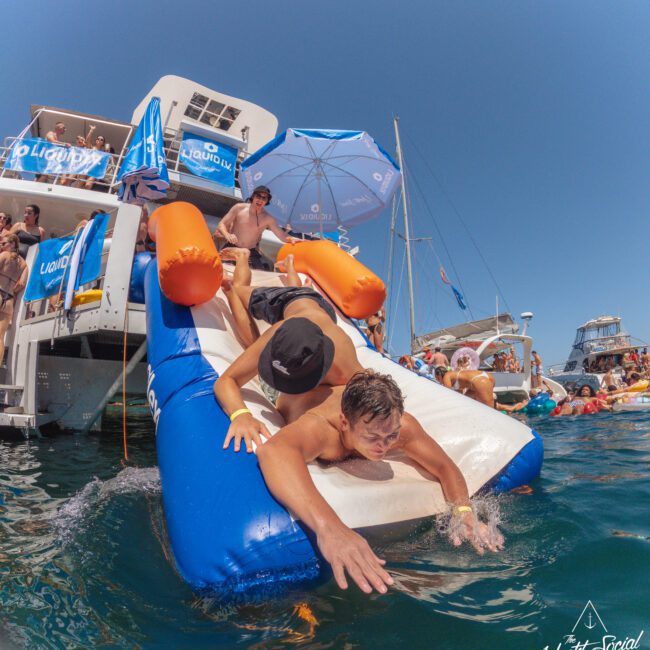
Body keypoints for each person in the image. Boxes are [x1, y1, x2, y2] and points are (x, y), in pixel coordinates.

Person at [255, 369, 504, 594]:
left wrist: (463, 510)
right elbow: (274, 451)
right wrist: (330, 529)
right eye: (372, 437)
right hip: (291, 393)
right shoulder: (322, 430)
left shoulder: (399, 427)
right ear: (345, 423)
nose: (383, 446)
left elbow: (444, 467)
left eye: (391, 436)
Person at [214, 186, 295, 270]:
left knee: (257, 275)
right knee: (222, 270)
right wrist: (227, 235)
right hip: (232, 247)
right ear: (253, 196)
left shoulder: (268, 218)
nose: (260, 200)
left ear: (266, 201)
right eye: (258, 196)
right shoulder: (239, 208)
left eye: (264, 198)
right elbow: (221, 224)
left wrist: (292, 239)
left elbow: (281, 236)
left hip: (250, 252)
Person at [0, 234, 28, 364]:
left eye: (4, 243)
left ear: (12, 244)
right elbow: (21, 285)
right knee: (0, 338)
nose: (1, 246)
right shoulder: (24, 264)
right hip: (9, 300)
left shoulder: (4, 256)